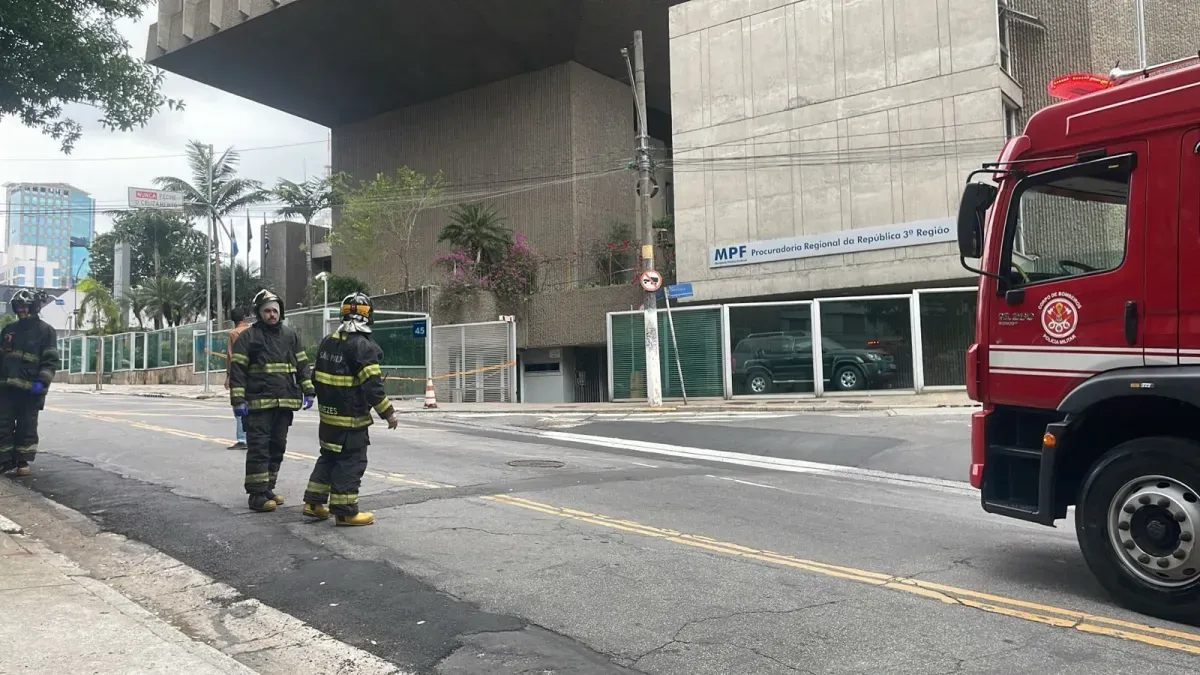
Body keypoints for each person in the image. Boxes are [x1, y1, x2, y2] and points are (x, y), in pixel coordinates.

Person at [302, 292, 398, 526]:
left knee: (328, 458)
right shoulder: (363, 346)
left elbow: (316, 378)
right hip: (351, 420)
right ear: (369, 316)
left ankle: (313, 503)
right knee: (351, 462)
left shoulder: (328, 341)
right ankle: (345, 511)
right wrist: (388, 413)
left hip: (328, 419)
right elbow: (372, 386)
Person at [228, 289, 315, 512]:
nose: (272, 315)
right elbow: (238, 370)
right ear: (259, 313)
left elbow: (302, 365)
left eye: (275, 311)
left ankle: (268, 488)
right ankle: (256, 496)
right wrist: (238, 400)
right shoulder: (248, 337)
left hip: (284, 403)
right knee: (259, 449)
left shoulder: (290, 336)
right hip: (258, 405)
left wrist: (309, 390)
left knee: (277, 447)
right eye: (267, 311)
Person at [0, 290, 58, 476]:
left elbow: (50, 360)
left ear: (34, 307)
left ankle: (22, 462)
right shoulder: (8, 330)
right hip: (6, 388)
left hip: (30, 389)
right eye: (19, 307)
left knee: (27, 426)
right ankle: (5, 460)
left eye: (26, 306)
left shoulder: (45, 331)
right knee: (3, 424)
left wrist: (42, 382)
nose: (22, 310)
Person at [224, 306, 251, 450]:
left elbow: (230, 356)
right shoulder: (253, 331)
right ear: (245, 317)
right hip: (254, 374)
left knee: (239, 404)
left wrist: (228, 376)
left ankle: (242, 439)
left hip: (238, 374)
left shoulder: (233, 334)